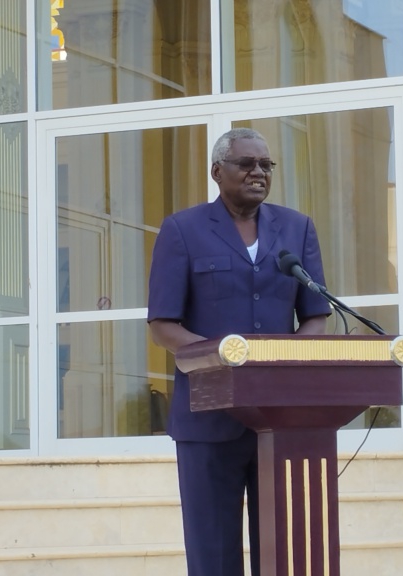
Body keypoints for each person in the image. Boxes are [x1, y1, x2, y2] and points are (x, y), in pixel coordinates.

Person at [147, 127, 331, 576]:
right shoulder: (182, 230)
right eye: (246, 164)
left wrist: (287, 365)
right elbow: (163, 325)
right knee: (213, 555)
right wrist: (221, 360)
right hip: (208, 419)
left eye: (266, 165)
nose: (258, 173)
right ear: (217, 171)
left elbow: (315, 315)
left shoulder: (297, 228)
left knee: (282, 552)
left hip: (280, 421)